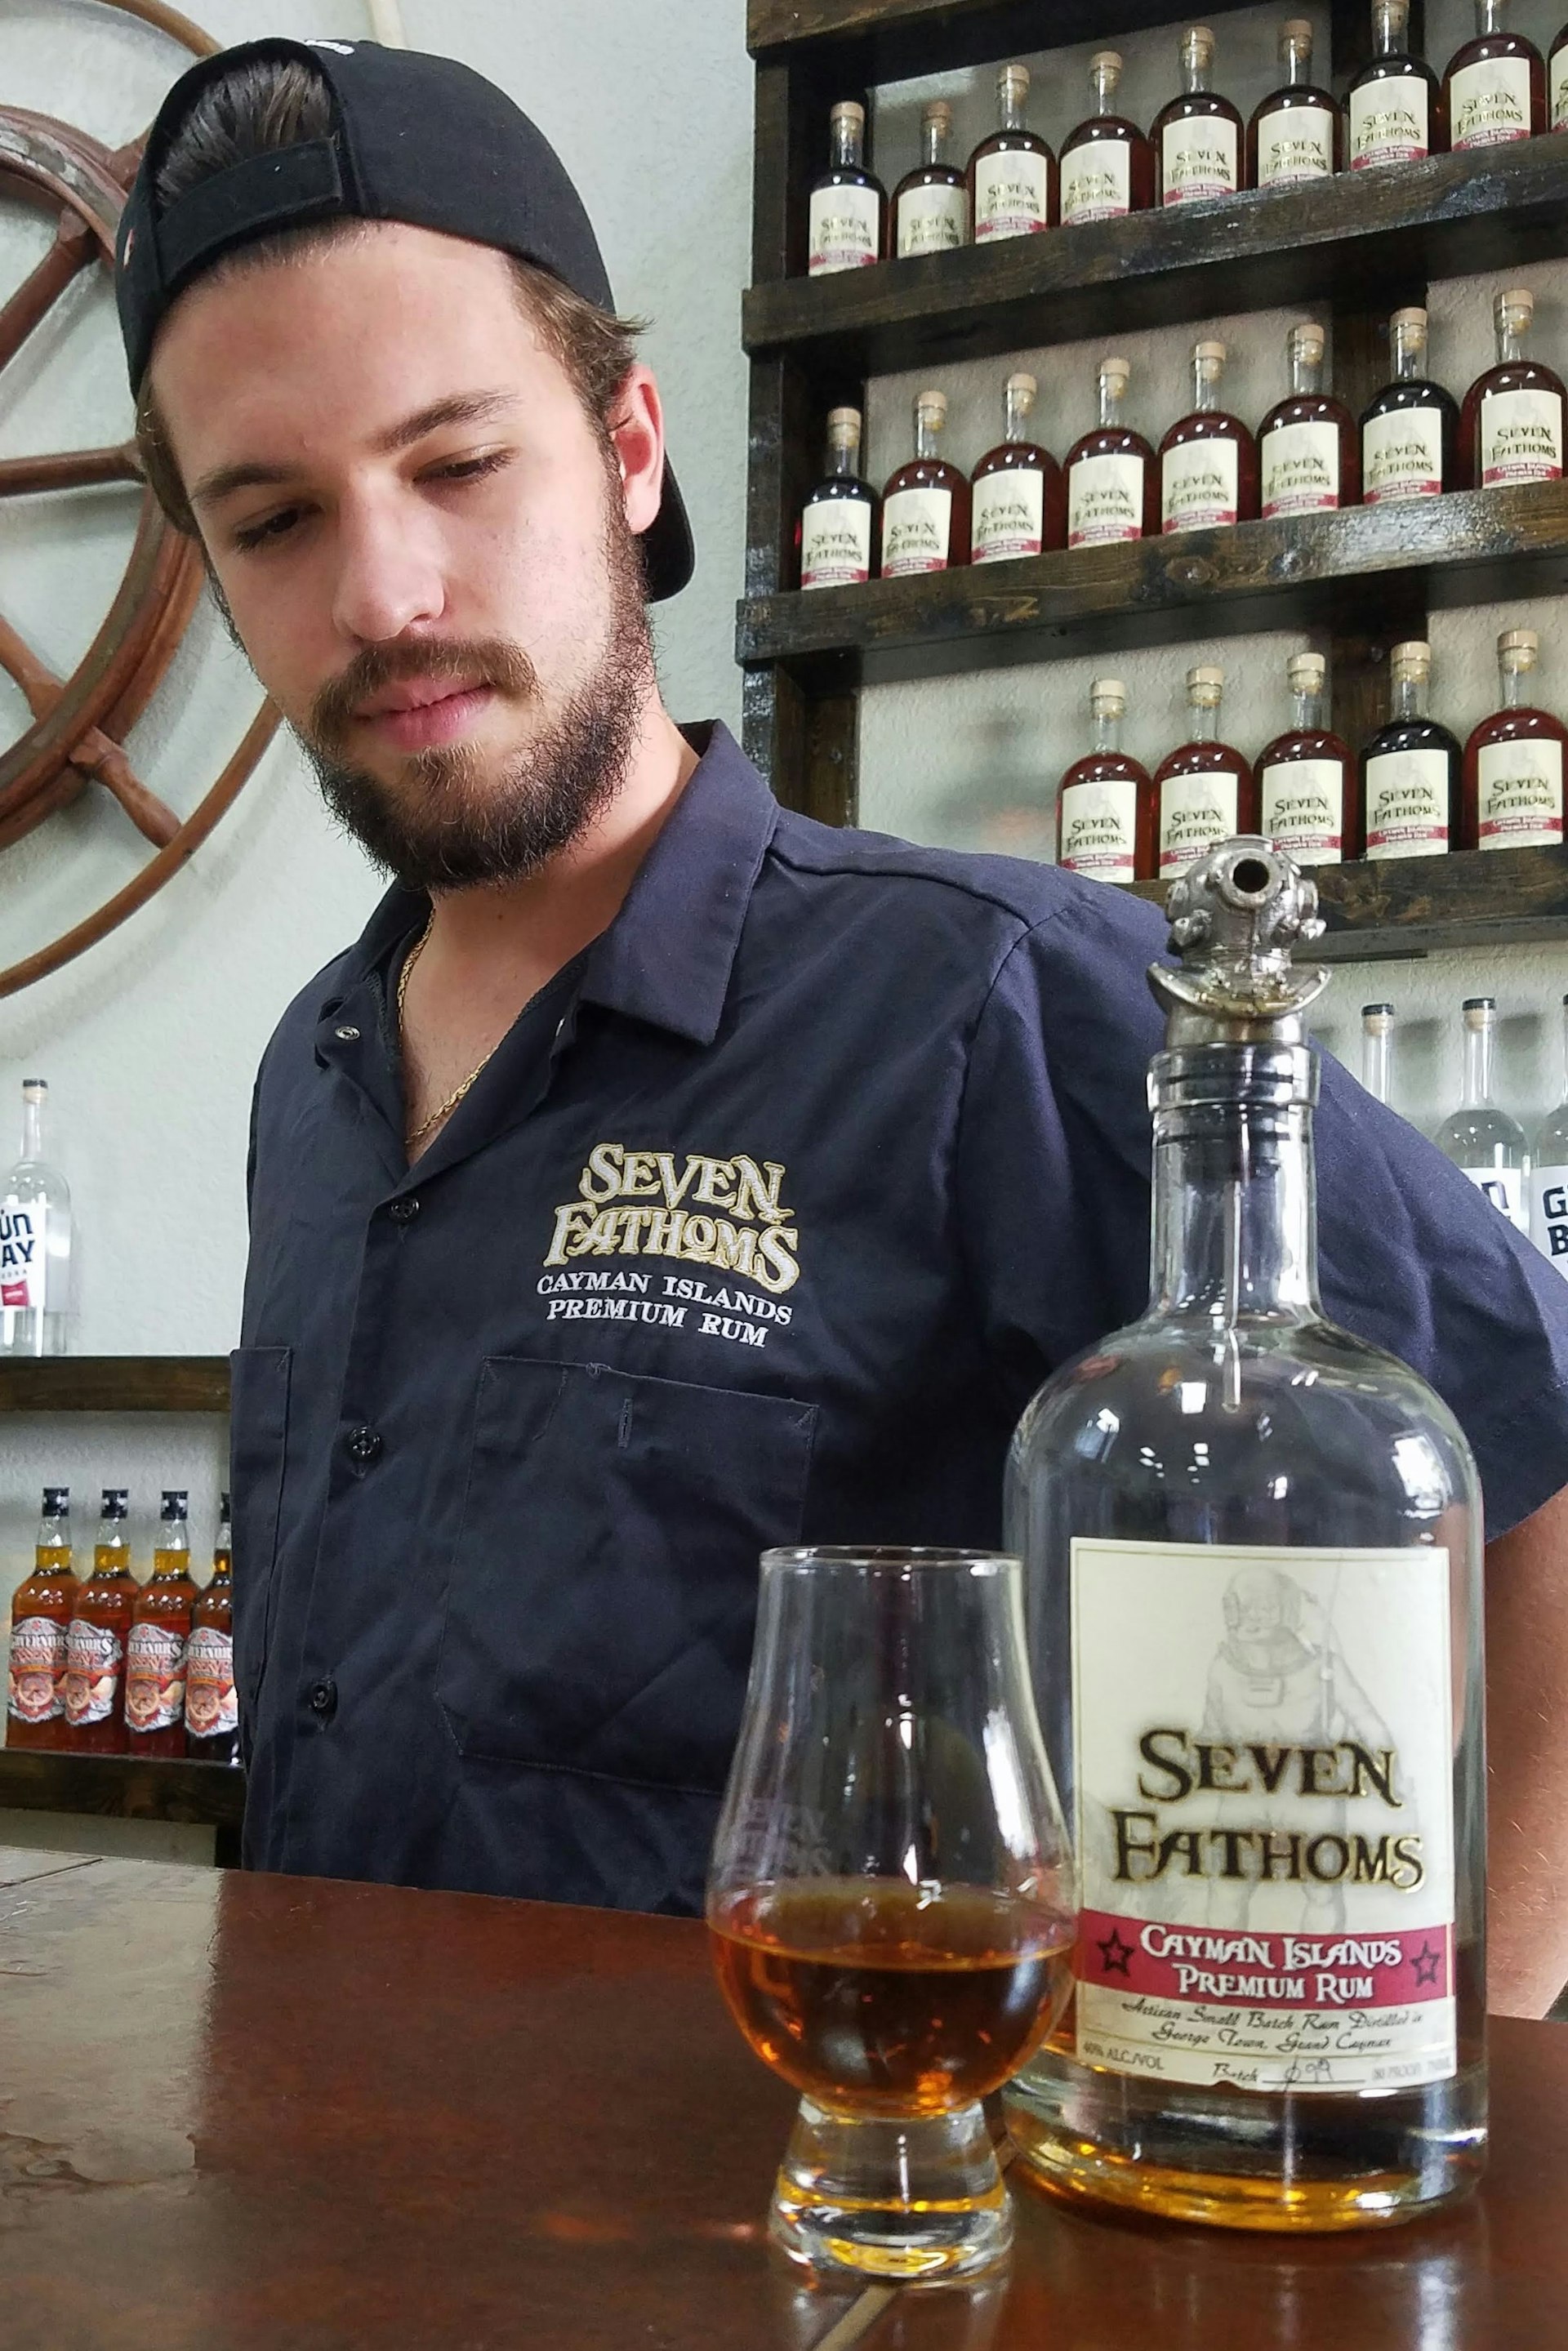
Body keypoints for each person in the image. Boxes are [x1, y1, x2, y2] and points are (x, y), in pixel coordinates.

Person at [116, 36, 1568, 2015]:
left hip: (846, 2270)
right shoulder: (318, 1067)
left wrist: (1470, 2073)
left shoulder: (1003, 999)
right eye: (273, 521)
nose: (383, 590)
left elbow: (1533, 1465)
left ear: (630, 452)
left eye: (459, 464)